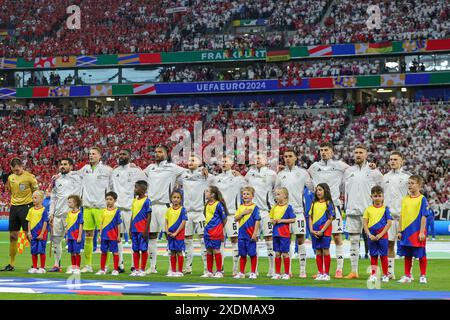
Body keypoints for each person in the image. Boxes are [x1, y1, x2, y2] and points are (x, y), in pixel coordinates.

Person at [308, 142, 348, 278]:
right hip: (319, 205)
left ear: (332, 152)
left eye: (326, 150)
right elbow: (305, 177)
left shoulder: (340, 165)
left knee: (337, 237)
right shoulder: (314, 166)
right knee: (318, 240)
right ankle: (321, 271)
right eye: (321, 150)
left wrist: (370, 166)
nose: (323, 152)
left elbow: (353, 171)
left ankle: (339, 269)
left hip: (334, 205)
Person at [144, 145, 186, 274]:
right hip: (152, 205)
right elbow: (140, 175)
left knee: (170, 236)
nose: (157, 154)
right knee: (151, 236)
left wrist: (202, 170)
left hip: (165, 206)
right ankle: (152, 267)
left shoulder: (173, 168)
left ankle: (171, 268)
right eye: (155, 152)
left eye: (160, 152)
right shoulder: (150, 168)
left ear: (166, 154)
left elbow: (188, 173)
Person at [343, 145, 383, 279]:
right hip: (352, 211)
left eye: (361, 152)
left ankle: (374, 273)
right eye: (356, 153)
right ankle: (354, 271)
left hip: (370, 212)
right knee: (353, 241)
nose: (358, 155)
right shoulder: (348, 171)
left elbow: (382, 190)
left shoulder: (374, 172)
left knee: (373, 242)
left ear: (366, 155)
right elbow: (344, 190)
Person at [275, 149, 314, 278]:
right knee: (287, 240)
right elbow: (276, 192)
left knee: (300, 239)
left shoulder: (303, 173)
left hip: (298, 211)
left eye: (290, 156)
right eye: (285, 156)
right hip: (284, 213)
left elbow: (312, 188)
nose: (287, 158)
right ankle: (288, 270)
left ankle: (302, 270)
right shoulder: (280, 174)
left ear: (296, 157)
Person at [75, 147, 113, 273]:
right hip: (87, 207)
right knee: (88, 236)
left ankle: (105, 265)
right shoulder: (84, 169)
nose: (91, 156)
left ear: (100, 156)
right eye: (89, 154)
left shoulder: (107, 170)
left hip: (101, 207)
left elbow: (115, 183)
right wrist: (59, 174)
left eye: (93, 154)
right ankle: (88, 265)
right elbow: (72, 174)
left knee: (104, 237)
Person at [110, 149, 146, 272]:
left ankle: (133, 264)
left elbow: (145, 185)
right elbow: (111, 188)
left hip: (132, 209)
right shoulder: (114, 172)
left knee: (133, 237)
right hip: (118, 208)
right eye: (120, 154)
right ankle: (120, 264)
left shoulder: (137, 171)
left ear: (130, 156)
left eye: (124, 154)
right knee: (117, 237)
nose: (121, 156)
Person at [175, 155, 211, 274]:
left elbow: (218, 180)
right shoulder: (183, 175)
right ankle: (188, 267)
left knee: (203, 240)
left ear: (199, 163)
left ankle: (206, 268)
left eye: (193, 161)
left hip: (200, 212)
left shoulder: (205, 175)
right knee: (187, 240)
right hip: (187, 212)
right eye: (189, 160)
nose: (190, 162)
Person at [211, 156, 246, 276]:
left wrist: (241, 176)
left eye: (226, 161)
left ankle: (235, 270)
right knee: (219, 242)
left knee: (234, 241)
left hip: (232, 214)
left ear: (232, 163)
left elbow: (248, 187)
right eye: (222, 161)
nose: (224, 163)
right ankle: (219, 269)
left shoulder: (237, 178)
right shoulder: (216, 179)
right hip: (219, 216)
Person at [2, 158, 39, 272]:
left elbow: (36, 192)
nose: (15, 172)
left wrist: (35, 207)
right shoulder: (11, 177)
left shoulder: (30, 177)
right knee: (13, 236)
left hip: (26, 207)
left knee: (29, 236)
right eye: (14, 170)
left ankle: (35, 264)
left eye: (17, 170)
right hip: (14, 208)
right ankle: (11, 264)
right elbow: (11, 191)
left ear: (22, 166)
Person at [244, 153, 277, 277]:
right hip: (253, 212)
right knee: (254, 239)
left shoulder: (272, 174)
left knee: (269, 239)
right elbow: (244, 186)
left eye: (259, 158)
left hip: (266, 211)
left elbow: (277, 189)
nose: (257, 160)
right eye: (255, 158)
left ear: (266, 161)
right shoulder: (250, 174)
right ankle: (254, 270)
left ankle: (272, 269)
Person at [49, 158, 82, 272]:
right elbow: (53, 198)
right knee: (56, 241)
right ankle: (57, 265)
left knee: (74, 242)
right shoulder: (56, 180)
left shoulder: (77, 177)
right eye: (61, 164)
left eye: (65, 164)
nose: (62, 166)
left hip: (72, 216)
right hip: (58, 215)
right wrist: (51, 213)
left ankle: (76, 266)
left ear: (71, 166)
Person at [382, 151, 410, 279]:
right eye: (391, 159)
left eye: (395, 159)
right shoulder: (384, 177)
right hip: (389, 217)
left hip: (404, 217)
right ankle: (390, 273)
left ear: (401, 161)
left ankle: (408, 274)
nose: (392, 161)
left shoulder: (407, 178)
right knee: (389, 244)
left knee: (408, 245)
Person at [397, 175, 429, 284]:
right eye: (409, 183)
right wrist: (399, 230)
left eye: (412, 183)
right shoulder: (405, 199)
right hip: (406, 231)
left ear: (419, 185)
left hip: (417, 232)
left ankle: (423, 276)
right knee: (407, 254)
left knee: (421, 254)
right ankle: (407, 275)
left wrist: (421, 232)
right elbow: (402, 215)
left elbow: (424, 216)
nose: (409, 185)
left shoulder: (422, 199)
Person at [363, 186, 393, 283]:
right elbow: (365, 223)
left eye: (379, 196)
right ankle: (373, 274)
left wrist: (381, 234)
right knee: (373, 255)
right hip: (371, 236)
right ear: (371, 197)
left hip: (383, 236)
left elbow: (389, 223)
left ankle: (385, 275)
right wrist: (369, 234)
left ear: (383, 197)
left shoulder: (386, 209)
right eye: (375, 196)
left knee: (384, 256)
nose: (377, 198)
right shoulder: (368, 209)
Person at [233, 186, 261, 279]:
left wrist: (255, 233)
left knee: (252, 254)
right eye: (244, 194)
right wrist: (243, 213)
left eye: (248, 194)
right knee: (242, 254)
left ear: (252, 196)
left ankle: (253, 272)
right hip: (241, 234)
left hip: (250, 234)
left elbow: (257, 220)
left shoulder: (255, 207)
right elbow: (236, 218)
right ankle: (241, 272)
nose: (245, 196)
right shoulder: (241, 207)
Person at [309, 183, 335, 281]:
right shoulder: (314, 203)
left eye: (320, 190)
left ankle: (326, 274)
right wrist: (311, 230)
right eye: (317, 190)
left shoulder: (328, 203)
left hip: (325, 231)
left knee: (325, 250)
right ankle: (320, 272)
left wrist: (322, 230)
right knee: (318, 251)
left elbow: (330, 218)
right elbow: (310, 217)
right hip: (315, 231)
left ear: (325, 191)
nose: (318, 192)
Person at [270, 187, 296, 280]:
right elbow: (271, 219)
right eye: (275, 194)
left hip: (284, 234)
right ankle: (277, 273)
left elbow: (293, 219)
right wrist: (273, 221)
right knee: (277, 253)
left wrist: (281, 221)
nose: (276, 196)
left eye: (278, 194)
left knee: (285, 253)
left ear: (285, 196)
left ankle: (286, 273)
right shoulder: (274, 207)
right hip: (276, 233)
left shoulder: (288, 207)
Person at [202, 186, 228, 278]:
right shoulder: (206, 204)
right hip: (207, 230)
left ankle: (219, 271)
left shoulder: (218, 204)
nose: (205, 193)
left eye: (207, 191)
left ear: (213, 194)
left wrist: (219, 228)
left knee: (216, 250)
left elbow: (224, 219)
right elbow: (205, 215)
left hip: (216, 231)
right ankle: (209, 271)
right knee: (208, 250)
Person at [96, 192, 122, 276]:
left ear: (115, 200)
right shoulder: (103, 211)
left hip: (113, 236)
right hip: (104, 236)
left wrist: (118, 235)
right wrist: (100, 235)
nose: (108, 201)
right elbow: (101, 224)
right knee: (103, 252)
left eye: (111, 199)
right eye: (107, 199)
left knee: (115, 252)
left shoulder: (117, 211)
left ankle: (115, 269)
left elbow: (118, 224)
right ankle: (102, 269)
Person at [130, 180, 152, 277]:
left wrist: (146, 230)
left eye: (136, 187)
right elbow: (133, 215)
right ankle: (136, 269)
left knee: (143, 249)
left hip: (142, 230)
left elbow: (149, 216)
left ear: (142, 190)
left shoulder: (147, 201)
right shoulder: (134, 201)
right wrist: (130, 228)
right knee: (135, 249)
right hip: (134, 229)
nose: (134, 189)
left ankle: (142, 269)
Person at [165, 190, 188, 277]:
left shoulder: (183, 210)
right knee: (172, 252)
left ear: (181, 199)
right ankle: (173, 271)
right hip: (170, 234)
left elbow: (183, 222)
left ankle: (180, 271)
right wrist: (167, 230)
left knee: (179, 252)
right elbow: (166, 221)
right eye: (174, 197)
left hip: (179, 235)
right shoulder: (168, 210)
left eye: (178, 198)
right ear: (171, 199)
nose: (176, 199)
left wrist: (176, 233)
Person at [26, 190, 49, 274]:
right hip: (33, 233)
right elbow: (29, 221)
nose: (33, 199)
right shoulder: (31, 210)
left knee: (41, 250)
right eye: (32, 198)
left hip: (41, 233)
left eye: (35, 198)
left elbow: (45, 222)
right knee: (33, 250)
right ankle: (34, 267)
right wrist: (29, 232)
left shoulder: (44, 210)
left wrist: (42, 233)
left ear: (41, 199)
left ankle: (42, 268)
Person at [65, 195, 84, 274]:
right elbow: (68, 224)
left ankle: (77, 268)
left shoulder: (79, 213)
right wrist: (66, 235)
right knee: (72, 252)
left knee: (77, 252)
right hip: (70, 236)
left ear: (75, 203)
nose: (68, 204)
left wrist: (79, 236)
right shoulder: (69, 213)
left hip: (76, 236)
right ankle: (73, 267)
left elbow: (80, 225)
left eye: (70, 202)